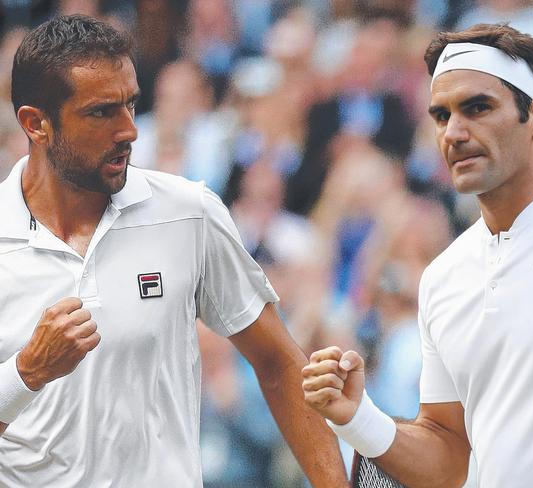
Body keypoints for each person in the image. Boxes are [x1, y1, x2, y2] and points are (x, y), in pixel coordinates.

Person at [0, 15, 348, 487]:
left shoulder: (190, 212)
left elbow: (279, 362)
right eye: (101, 112)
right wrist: (26, 374)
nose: (129, 130)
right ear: (35, 124)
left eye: (131, 104)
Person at [302, 23, 533, 488]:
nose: (454, 132)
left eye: (477, 108)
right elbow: (448, 459)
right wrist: (357, 418)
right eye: (442, 116)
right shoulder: (444, 276)